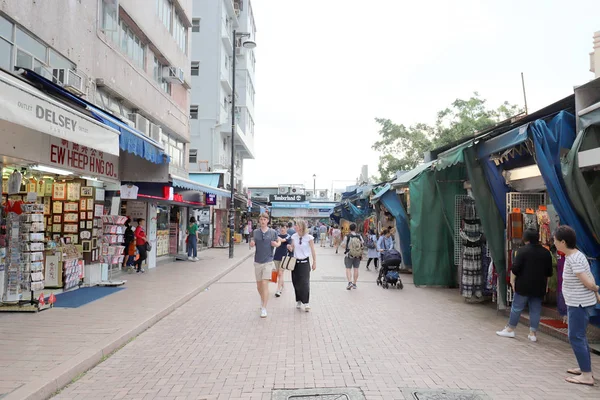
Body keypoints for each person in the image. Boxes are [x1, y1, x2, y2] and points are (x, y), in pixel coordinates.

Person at [553, 226, 600, 386]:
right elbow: (589, 276)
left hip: (578, 303)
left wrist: (596, 289)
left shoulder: (574, 258)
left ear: (563, 242)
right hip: (579, 302)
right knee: (579, 336)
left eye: (555, 240)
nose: (554, 242)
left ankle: (586, 375)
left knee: (575, 336)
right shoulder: (576, 255)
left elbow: (588, 281)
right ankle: (584, 368)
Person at [496, 229, 553, 342]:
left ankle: (510, 329)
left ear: (525, 239)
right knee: (535, 310)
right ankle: (533, 334)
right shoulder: (546, 252)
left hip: (523, 285)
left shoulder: (522, 251)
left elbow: (515, 268)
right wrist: (546, 285)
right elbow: (549, 272)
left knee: (517, 308)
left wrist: (512, 282)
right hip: (539, 286)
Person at [249, 213, 281, 318]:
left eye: (264, 219)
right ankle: (263, 299)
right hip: (257, 261)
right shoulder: (256, 232)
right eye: (261, 219)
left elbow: (278, 241)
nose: (262, 221)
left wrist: (277, 244)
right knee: (259, 286)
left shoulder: (273, 232)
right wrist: (252, 243)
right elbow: (252, 240)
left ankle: (264, 308)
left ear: (267, 221)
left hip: (268, 261)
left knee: (264, 283)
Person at [287, 220, 316, 311]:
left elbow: (313, 250)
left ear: (302, 227)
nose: (295, 227)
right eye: (295, 225)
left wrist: (314, 261)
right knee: (296, 282)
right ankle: (298, 300)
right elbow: (292, 248)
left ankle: (306, 302)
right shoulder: (294, 236)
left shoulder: (309, 238)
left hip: (304, 262)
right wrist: (289, 248)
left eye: (297, 225)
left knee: (305, 283)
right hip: (295, 262)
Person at [343, 223, 364, 290]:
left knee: (348, 268)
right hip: (357, 255)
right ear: (355, 228)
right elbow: (362, 245)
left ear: (349, 228)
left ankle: (350, 282)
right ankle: (354, 284)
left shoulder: (347, 236)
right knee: (356, 269)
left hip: (349, 254)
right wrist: (361, 254)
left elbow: (343, 245)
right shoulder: (359, 236)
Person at [273, 224, 291, 298]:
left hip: (284, 257)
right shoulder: (277, 235)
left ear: (286, 228)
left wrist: (277, 238)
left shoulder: (288, 236)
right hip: (276, 256)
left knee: (280, 273)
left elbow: (283, 240)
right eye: (281, 228)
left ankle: (278, 290)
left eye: (284, 228)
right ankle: (282, 285)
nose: (282, 229)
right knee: (278, 274)